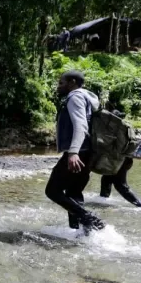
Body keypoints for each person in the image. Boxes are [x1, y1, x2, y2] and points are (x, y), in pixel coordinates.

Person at [44, 71, 105, 233]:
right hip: (89, 152)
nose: (58, 87)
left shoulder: (75, 97)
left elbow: (81, 126)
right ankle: (81, 233)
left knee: (52, 191)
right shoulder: (88, 97)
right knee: (73, 192)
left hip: (79, 152)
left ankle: (90, 219)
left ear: (72, 82)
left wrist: (73, 152)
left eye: (61, 83)